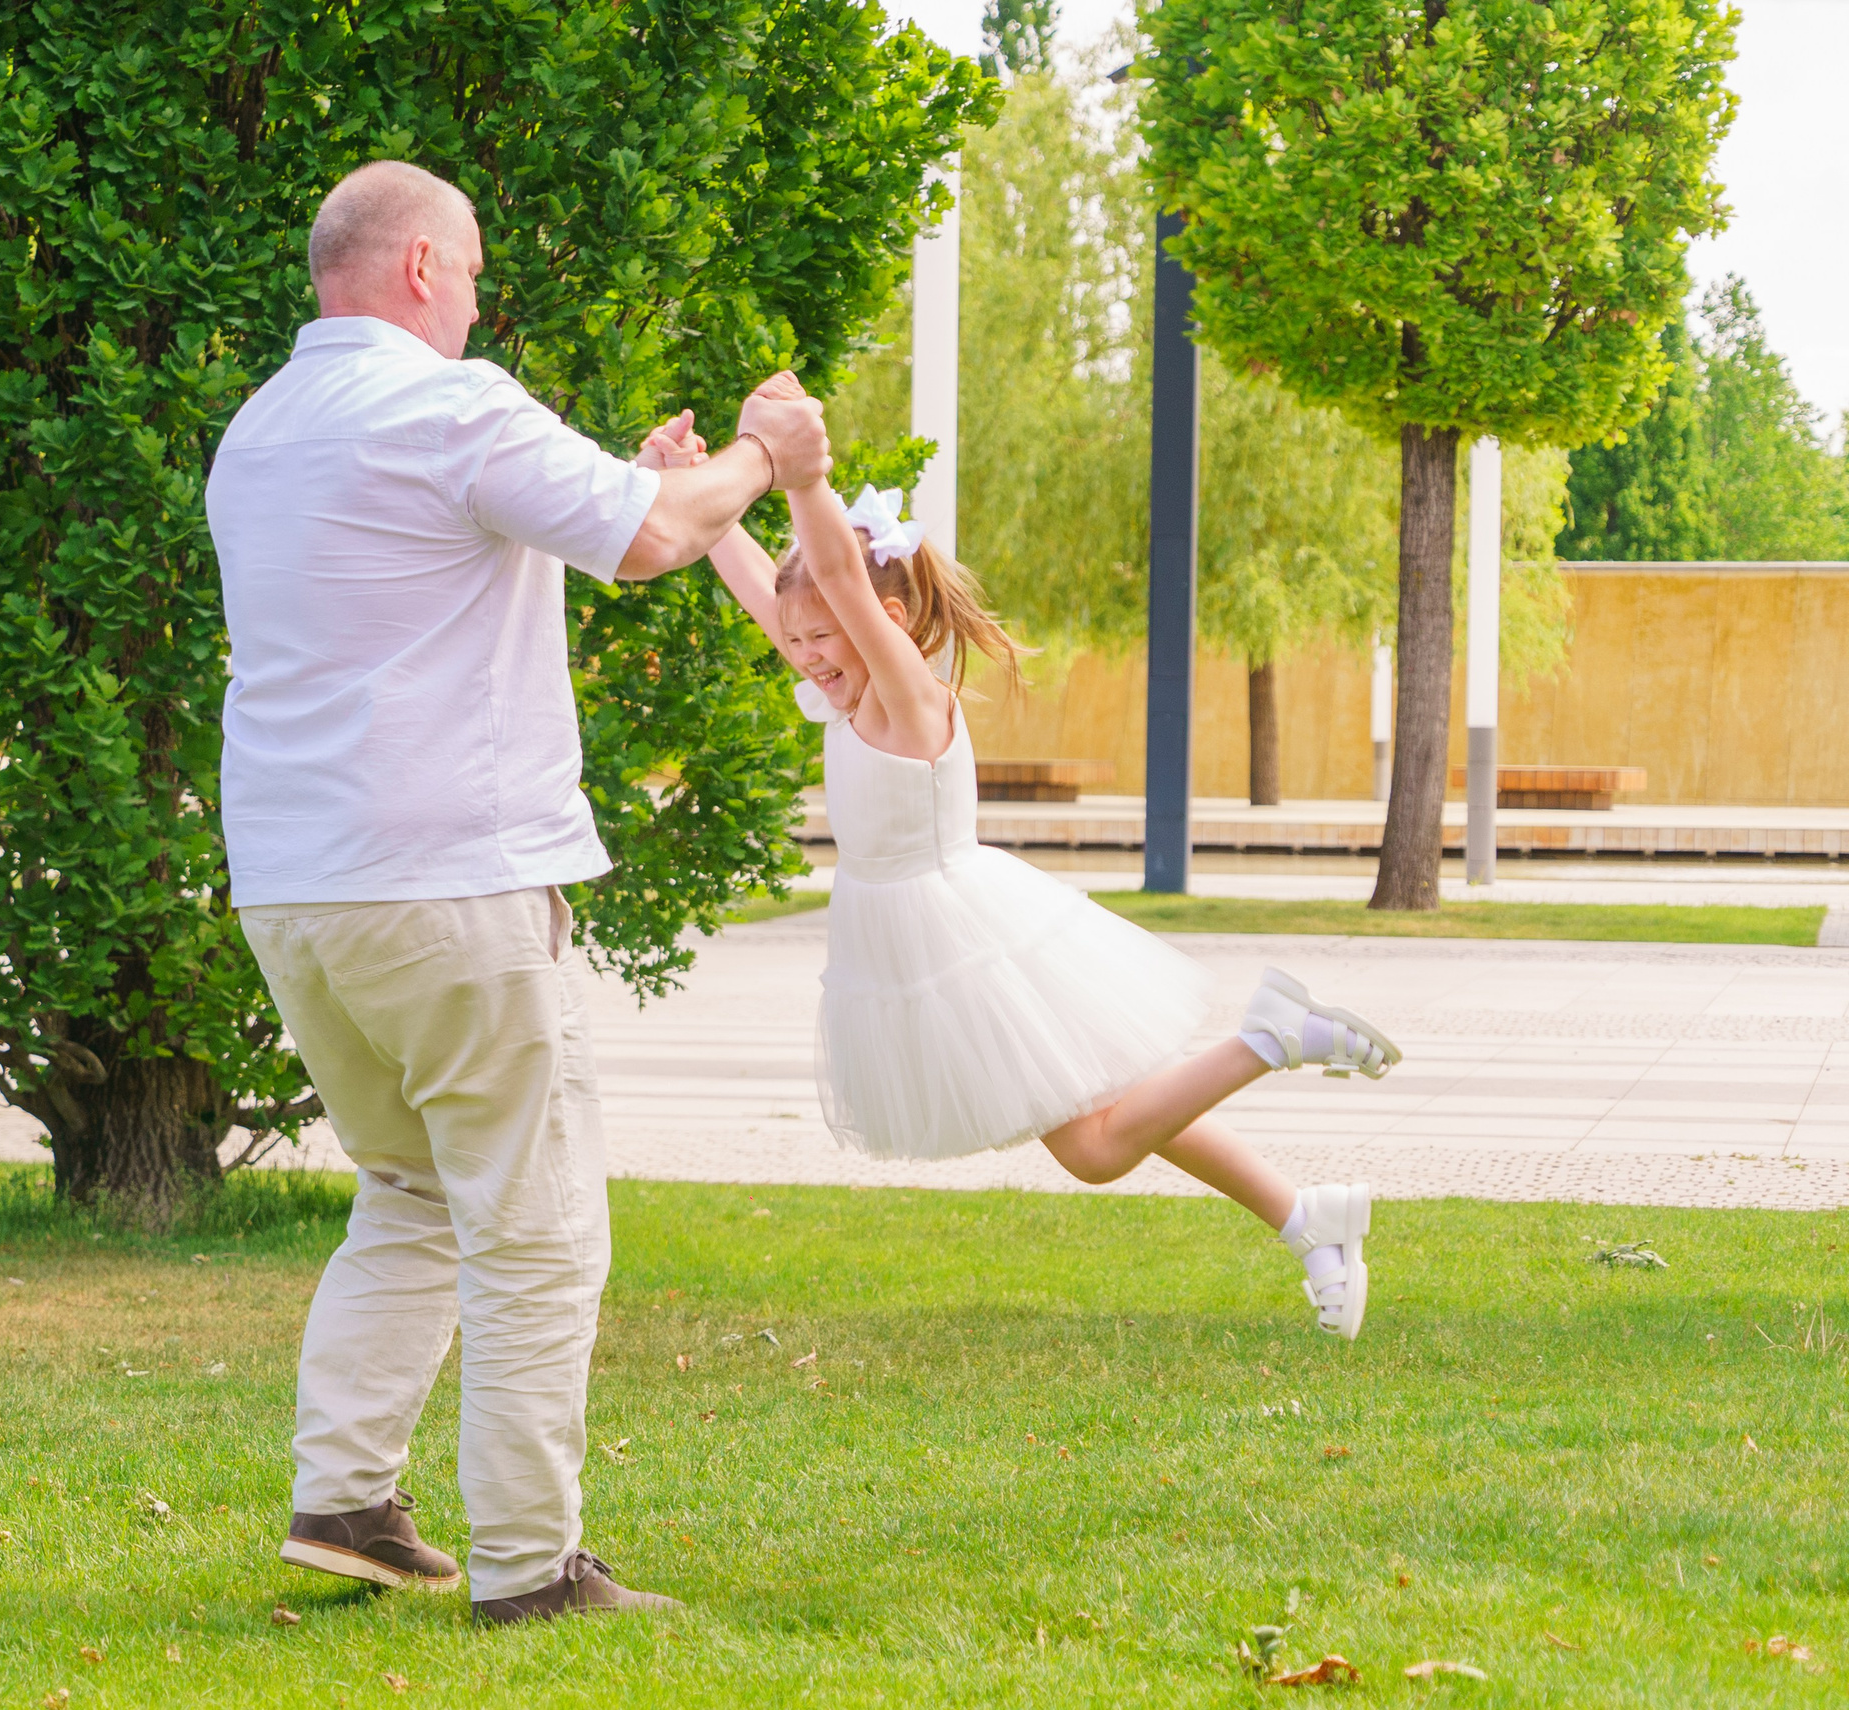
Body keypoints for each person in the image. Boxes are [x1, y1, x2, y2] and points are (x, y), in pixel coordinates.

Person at [205, 159, 829, 1624]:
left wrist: (653, 475)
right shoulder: (449, 403)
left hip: (296, 885)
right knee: (535, 1229)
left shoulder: (261, 430)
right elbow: (651, 539)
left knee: (412, 1186)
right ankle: (530, 1568)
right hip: (450, 882)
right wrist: (762, 452)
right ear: (422, 268)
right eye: (475, 272)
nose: (480, 303)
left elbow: (576, 513)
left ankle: (345, 1501)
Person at [636, 389, 1397, 1341]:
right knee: (1111, 1113)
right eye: (795, 642)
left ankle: (1272, 1038)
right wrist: (694, 491)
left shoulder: (905, 697)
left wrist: (799, 472)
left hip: (961, 945)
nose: (805, 657)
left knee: (1096, 1148)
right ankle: (1305, 1217)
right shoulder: (847, 691)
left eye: (821, 636)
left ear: (887, 618)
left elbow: (827, 569)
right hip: (925, 941)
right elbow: (771, 582)